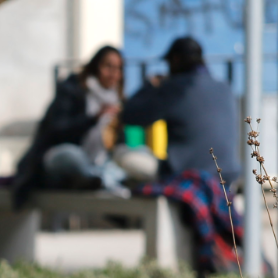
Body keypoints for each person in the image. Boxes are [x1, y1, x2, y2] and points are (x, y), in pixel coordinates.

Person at [13, 46, 140, 207]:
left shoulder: (118, 102)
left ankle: (104, 182)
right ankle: (102, 182)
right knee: (71, 156)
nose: (113, 73)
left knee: (134, 156)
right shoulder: (72, 89)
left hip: (100, 164)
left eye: (119, 68)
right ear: (95, 66)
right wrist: (94, 118)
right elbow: (57, 129)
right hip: (61, 160)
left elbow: (118, 145)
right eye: (108, 66)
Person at [121, 37, 239, 184]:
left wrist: (149, 86)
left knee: (121, 154)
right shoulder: (225, 88)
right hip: (227, 176)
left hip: (186, 175)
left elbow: (129, 116)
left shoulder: (176, 88)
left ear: (175, 59)